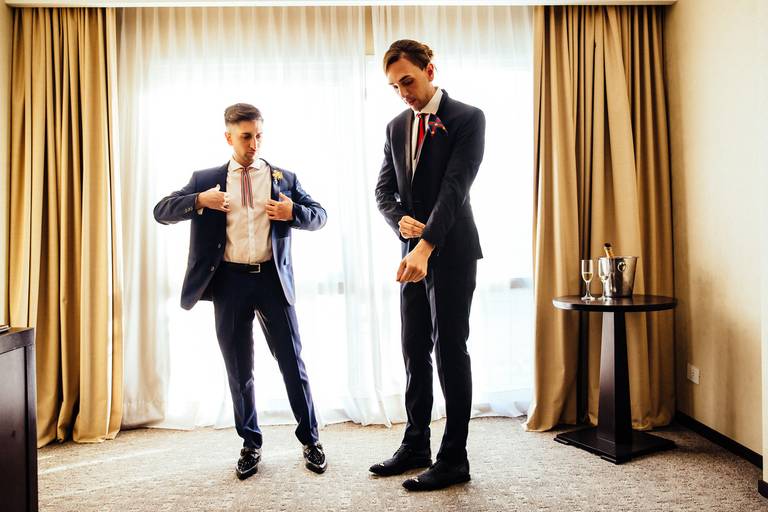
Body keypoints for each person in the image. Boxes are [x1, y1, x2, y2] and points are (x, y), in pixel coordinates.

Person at [153, 103, 328, 480]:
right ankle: (250, 443)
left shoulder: (284, 178)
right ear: (228, 137)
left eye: (259, 135)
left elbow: (320, 216)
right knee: (239, 368)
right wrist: (199, 201)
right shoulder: (205, 179)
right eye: (246, 137)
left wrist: (293, 213)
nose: (254, 144)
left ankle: (311, 440)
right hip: (229, 283)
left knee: (292, 363)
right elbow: (161, 211)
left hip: (272, 281)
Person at [371, 40, 485, 491]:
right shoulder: (395, 126)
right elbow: (383, 190)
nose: (403, 93)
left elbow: (455, 188)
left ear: (430, 70)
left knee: (449, 351)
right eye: (395, 87)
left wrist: (425, 248)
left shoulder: (468, 118)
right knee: (413, 348)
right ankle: (416, 443)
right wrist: (399, 220)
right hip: (410, 254)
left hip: (452, 252)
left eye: (408, 82)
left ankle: (454, 458)